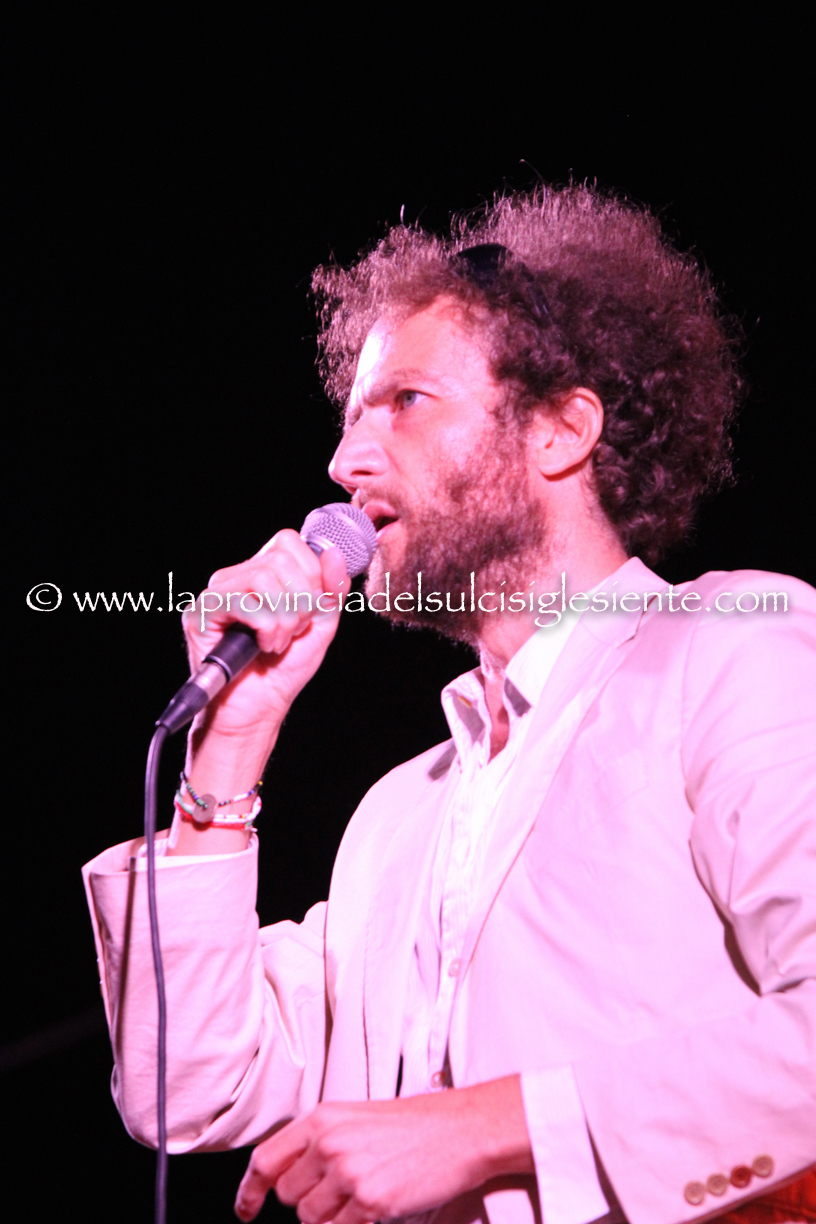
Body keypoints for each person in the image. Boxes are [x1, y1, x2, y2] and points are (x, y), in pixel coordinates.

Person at [83, 187, 816, 1224]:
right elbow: (184, 1091)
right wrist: (229, 748)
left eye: (406, 401)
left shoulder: (731, 654)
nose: (345, 462)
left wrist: (483, 1129)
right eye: (352, 416)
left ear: (561, 431)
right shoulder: (400, 816)